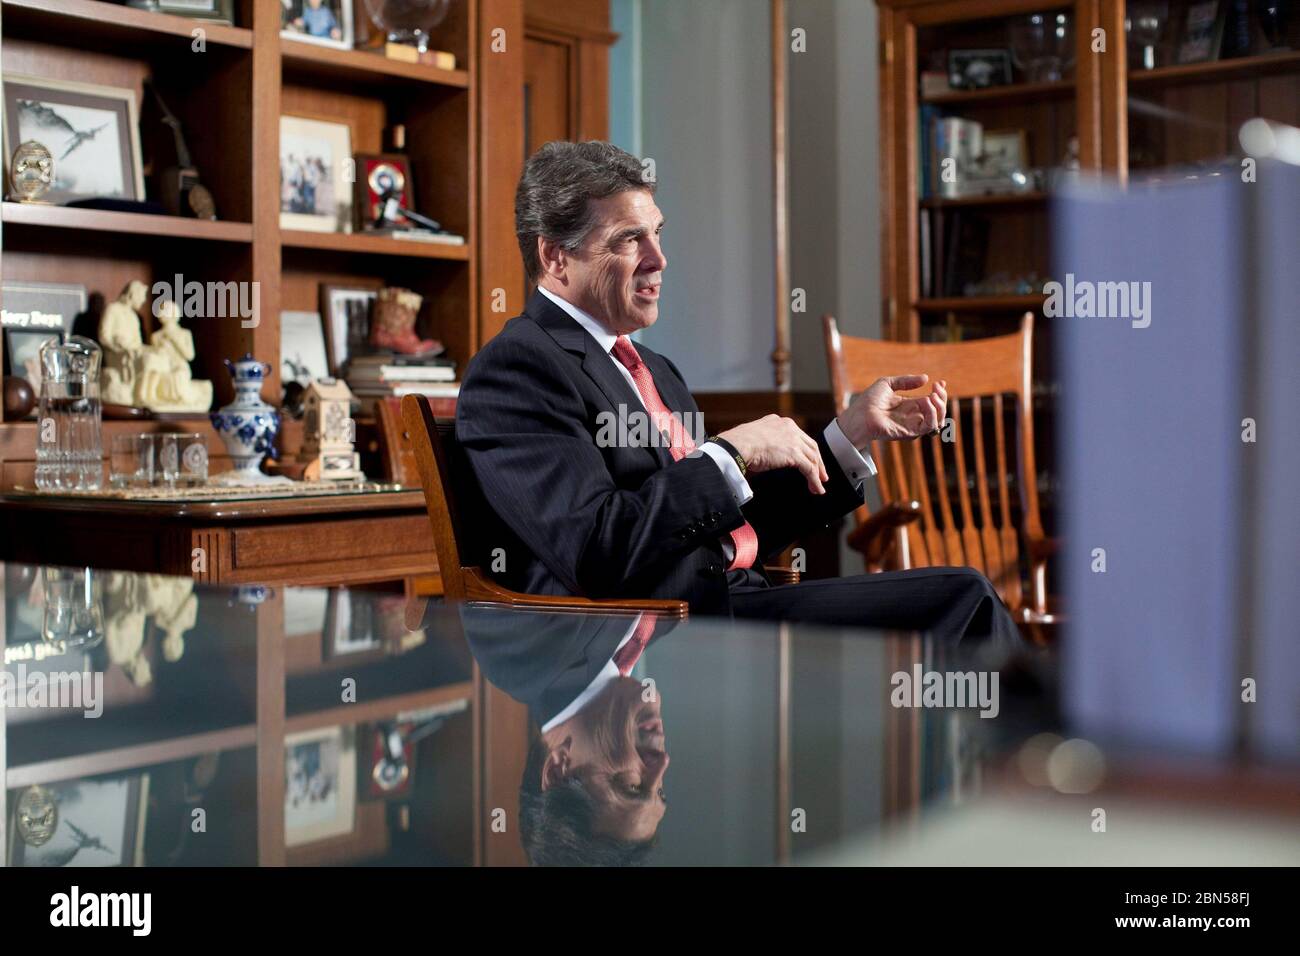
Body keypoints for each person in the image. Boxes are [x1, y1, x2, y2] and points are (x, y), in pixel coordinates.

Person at [456, 140, 1016, 645]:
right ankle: (1039, 760)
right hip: (659, 635)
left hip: (729, 606)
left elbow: (732, 524)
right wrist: (730, 453)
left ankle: (997, 761)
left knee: (963, 601)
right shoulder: (518, 368)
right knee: (961, 599)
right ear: (555, 257)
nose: (659, 258)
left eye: (658, 233)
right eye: (630, 239)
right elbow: (598, 553)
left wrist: (850, 432)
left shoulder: (653, 368)